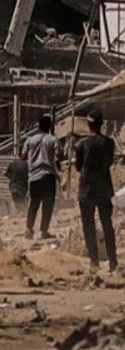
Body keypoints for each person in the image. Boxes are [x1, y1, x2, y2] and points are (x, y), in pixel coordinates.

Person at [74, 109, 118, 273]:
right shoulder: (109, 143)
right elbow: (108, 163)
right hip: (104, 189)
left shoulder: (81, 144)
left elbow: (78, 167)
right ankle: (113, 261)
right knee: (107, 224)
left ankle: (94, 260)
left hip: (86, 189)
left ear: (89, 124)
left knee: (89, 225)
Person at [23, 115, 60, 240]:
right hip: (48, 175)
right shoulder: (53, 139)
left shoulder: (30, 140)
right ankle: (44, 231)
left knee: (33, 204)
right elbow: (59, 156)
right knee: (47, 205)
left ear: (38, 126)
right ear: (50, 126)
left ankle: (29, 229)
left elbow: (22, 156)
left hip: (34, 177)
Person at [4, 147, 29, 215]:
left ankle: (20, 213)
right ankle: (23, 213)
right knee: (21, 201)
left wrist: (11, 177)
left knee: (17, 201)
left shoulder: (12, 164)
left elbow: (5, 173)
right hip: (22, 187)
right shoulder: (27, 165)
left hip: (13, 186)